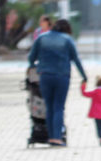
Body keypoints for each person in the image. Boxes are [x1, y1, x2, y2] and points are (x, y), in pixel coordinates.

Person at [27, 18, 87, 147]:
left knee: (49, 107)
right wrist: (84, 77)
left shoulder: (41, 38)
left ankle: (51, 137)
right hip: (62, 76)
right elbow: (76, 59)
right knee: (59, 107)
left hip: (45, 76)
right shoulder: (67, 39)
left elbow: (31, 57)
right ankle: (57, 138)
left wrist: (34, 67)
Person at [81, 76, 101, 146]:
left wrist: (83, 86)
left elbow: (84, 94)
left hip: (97, 114)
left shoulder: (95, 92)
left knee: (99, 127)